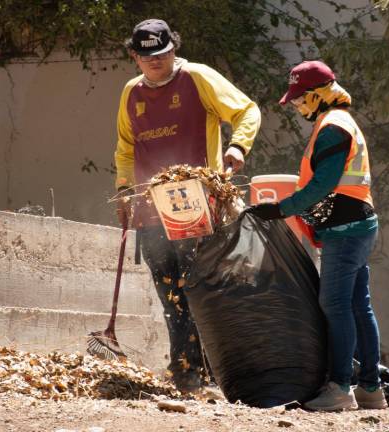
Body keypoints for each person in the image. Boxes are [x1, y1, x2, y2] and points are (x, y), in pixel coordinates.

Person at [113, 18, 261, 392]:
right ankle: (184, 367)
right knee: (169, 292)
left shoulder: (197, 78)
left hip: (196, 201)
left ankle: (205, 368)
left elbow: (247, 111)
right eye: (147, 56)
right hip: (150, 208)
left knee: (198, 287)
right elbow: (126, 148)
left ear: (173, 49)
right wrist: (124, 190)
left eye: (161, 54)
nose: (155, 62)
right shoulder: (131, 93)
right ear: (135, 56)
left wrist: (237, 146)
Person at [246, 60, 387, 411]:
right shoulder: (337, 122)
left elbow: (323, 183)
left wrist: (281, 209)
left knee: (335, 305)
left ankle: (340, 388)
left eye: (299, 98)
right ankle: (372, 388)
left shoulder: (333, 126)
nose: (296, 105)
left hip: (346, 229)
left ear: (318, 94)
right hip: (357, 224)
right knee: (358, 306)